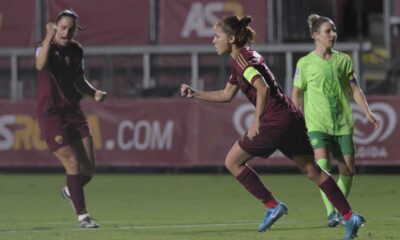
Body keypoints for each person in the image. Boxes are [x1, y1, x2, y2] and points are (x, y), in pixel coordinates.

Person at [180, 15, 365, 240]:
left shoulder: (242, 60)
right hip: (291, 117)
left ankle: (272, 205)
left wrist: (257, 120)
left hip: (274, 120)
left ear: (231, 38)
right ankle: (349, 216)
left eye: (217, 36)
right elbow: (227, 94)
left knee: (233, 162)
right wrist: (196, 94)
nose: (213, 40)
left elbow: (262, 88)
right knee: (313, 171)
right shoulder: (245, 57)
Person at [291, 14, 380, 227]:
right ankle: (333, 214)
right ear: (315, 35)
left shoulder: (344, 60)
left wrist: (367, 111)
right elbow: (296, 93)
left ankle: (340, 210)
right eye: (328, 31)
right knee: (322, 165)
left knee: (348, 170)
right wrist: (296, 119)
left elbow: (354, 88)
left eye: (334, 30)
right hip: (316, 124)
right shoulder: (305, 63)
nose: (333, 34)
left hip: (342, 123)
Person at [35, 9, 107, 228]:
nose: (66, 32)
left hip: (73, 111)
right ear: (56, 26)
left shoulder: (76, 50)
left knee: (89, 169)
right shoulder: (45, 46)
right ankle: (83, 216)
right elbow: (39, 65)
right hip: (52, 114)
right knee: (73, 163)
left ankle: (69, 191)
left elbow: (80, 80)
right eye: (63, 27)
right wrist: (48, 37)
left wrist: (94, 92)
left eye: (71, 29)